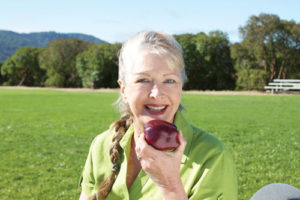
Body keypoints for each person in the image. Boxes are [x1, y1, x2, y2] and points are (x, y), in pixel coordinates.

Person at [79, 31, 238, 200]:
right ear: (124, 90)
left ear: (180, 88)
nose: (156, 93)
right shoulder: (101, 145)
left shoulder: (211, 157)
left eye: (169, 80)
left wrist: (169, 185)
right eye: (143, 80)